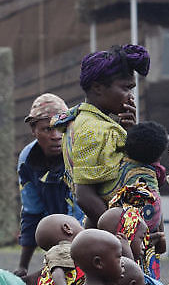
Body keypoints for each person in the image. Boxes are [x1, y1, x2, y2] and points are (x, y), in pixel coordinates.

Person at [56, 44, 150, 226]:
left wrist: (132, 134)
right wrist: (123, 234)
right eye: (125, 88)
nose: (130, 97)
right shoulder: (95, 130)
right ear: (98, 87)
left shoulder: (84, 120)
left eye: (132, 89)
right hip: (114, 239)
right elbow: (85, 195)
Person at [17, 93, 85, 278]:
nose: (56, 136)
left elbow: (80, 215)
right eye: (47, 129)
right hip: (57, 235)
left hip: (87, 234)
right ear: (33, 130)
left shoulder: (78, 154)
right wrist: (23, 267)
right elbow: (31, 211)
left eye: (61, 129)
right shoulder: (27, 160)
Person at [103, 120, 169, 273]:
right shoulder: (151, 177)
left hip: (118, 235)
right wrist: (161, 236)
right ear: (160, 154)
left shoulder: (119, 166)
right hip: (144, 243)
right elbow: (155, 206)